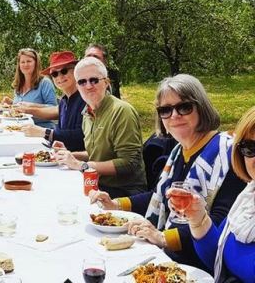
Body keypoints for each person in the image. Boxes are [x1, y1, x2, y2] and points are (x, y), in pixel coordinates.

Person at [90, 74, 246, 271]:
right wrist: (116, 204)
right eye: (165, 110)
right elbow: (159, 197)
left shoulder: (228, 154)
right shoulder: (178, 152)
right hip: (167, 254)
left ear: (202, 108)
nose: (174, 116)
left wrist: (163, 238)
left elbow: (220, 221)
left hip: (200, 265)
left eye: (184, 107)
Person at [168, 106, 255, 283]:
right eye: (250, 148)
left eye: (184, 107)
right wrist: (198, 218)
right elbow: (217, 257)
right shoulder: (248, 200)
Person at [55, 57, 146, 197]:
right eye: (82, 82)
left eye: (94, 80)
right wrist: (69, 156)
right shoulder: (87, 112)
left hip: (123, 191)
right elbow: (97, 154)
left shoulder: (122, 111)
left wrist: (82, 166)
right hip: (96, 184)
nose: (88, 86)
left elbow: (129, 163)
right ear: (77, 87)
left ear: (106, 82)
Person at [21, 51, 86, 151]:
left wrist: (45, 132)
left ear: (76, 71)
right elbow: (62, 133)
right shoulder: (64, 101)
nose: (59, 77)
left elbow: (81, 137)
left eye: (64, 71)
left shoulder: (85, 98)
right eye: (54, 74)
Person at [2, 48, 58, 128]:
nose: (25, 65)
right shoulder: (18, 84)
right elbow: (21, 107)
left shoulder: (45, 82)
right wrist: (11, 103)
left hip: (41, 129)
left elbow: (54, 109)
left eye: (29, 61)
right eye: (22, 62)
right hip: (20, 128)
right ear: (19, 65)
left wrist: (31, 106)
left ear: (36, 63)